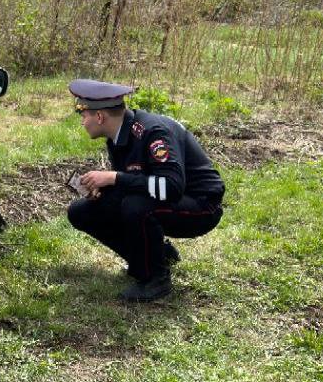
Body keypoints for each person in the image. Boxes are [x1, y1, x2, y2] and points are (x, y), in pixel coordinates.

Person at [65, 79, 225, 301]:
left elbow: (171, 187)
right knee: (82, 211)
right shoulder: (119, 135)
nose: (82, 122)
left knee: (135, 207)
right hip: (167, 200)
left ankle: (155, 278)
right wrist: (106, 189)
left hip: (201, 206)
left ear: (99, 116)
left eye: (83, 115)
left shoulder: (152, 133)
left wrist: (115, 178)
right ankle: (158, 255)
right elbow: (135, 181)